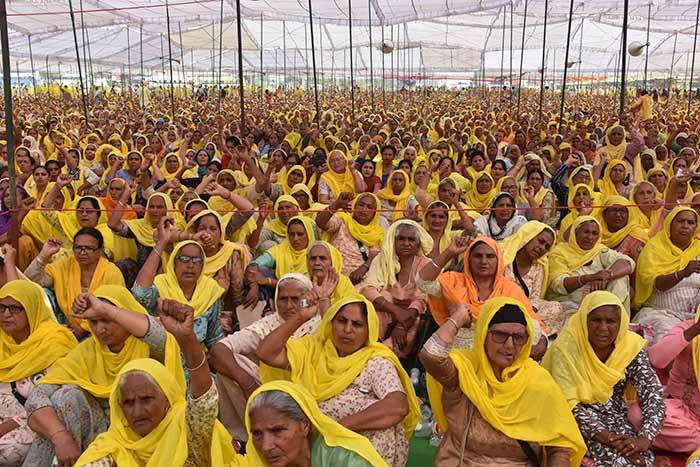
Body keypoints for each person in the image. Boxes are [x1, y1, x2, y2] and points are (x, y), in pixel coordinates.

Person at [22, 285, 184, 466]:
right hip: (101, 434)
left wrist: (104, 308)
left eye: (107, 320)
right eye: (94, 322)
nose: (100, 329)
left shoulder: (146, 345)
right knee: (65, 398)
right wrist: (60, 437)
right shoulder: (87, 352)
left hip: (145, 428)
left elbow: (156, 333)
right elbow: (37, 396)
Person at [419, 297, 586, 467]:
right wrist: (458, 318)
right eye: (500, 334)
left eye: (518, 337)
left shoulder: (538, 382)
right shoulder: (465, 371)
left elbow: (560, 446)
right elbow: (431, 356)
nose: (510, 345)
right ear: (483, 333)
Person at [256, 295, 420, 467]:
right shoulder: (312, 350)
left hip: (350, 439)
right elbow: (266, 353)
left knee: (384, 427)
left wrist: (337, 429)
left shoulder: (375, 360)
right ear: (331, 323)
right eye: (341, 321)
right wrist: (300, 317)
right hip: (312, 436)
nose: (347, 329)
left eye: (357, 324)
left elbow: (398, 406)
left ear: (368, 330)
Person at [74, 300, 237, 466]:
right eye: (128, 403)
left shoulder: (185, 429)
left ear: (167, 399)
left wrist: (188, 340)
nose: (137, 412)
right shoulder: (114, 443)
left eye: (146, 399)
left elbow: (203, 398)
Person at [542, 291, 665, 467]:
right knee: (618, 460)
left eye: (611, 321)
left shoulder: (629, 347)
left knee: (637, 458)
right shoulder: (566, 347)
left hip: (614, 420)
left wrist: (645, 438)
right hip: (571, 419)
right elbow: (567, 403)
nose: (603, 328)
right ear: (584, 320)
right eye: (596, 320)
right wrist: (608, 439)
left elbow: (652, 393)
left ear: (621, 322)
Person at [210, 274, 322, 441]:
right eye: (283, 299)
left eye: (295, 299)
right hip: (269, 388)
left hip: (310, 390)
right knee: (230, 365)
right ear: (275, 299)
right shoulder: (269, 324)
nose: (289, 305)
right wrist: (247, 383)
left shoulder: (320, 324)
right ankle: (244, 436)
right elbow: (219, 350)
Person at [417, 235, 547, 353]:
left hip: (496, 354)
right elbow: (422, 282)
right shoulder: (454, 281)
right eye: (478, 256)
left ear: (498, 260)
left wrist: (542, 343)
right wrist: (449, 252)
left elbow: (533, 321)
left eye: (490, 256)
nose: (483, 261)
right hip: (458, 351)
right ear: (469, 259)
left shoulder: (510, 289)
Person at [0, 281, 77, 467]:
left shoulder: (54, 342)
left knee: (7, 452)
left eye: (15, 308)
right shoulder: (2, 340)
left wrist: (6, 426)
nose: (6, 314)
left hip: (35, 424)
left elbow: (59, 402)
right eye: (1, 307)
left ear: (32, 308)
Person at [245, 381, 388, 467]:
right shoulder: (257, 461)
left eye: (277, 431)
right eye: (257, 434)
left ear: (305, 426)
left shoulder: (346, 461)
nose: (266, 446)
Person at [25, 228, 125, 337]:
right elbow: (31, 281)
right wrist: (44, 255)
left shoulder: (111, 272)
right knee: (43, 293)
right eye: (78, 248)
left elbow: (114, 308)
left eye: (89, 248)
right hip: (67, 322)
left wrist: (83, 328)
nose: (82, 252)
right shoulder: (65, 265)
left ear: (99, 252)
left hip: (99, 327)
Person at [627, 308, 700, 454]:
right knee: (637, 414)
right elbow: (656, 359)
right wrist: (695, 330)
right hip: (680, 410)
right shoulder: (688, 327)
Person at [133, 237, 224, 352]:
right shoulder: (161, 285)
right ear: (174, 262)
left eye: (196, 260)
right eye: (184, 259)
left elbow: (214, 337)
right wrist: (162, 243)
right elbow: (139, 294)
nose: (190, 265)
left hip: (194, 361)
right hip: (160, 358)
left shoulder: (210, 290)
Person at [359, 220, 432, 358]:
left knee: (416, 319)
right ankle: (370, 343)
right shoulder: (383, 259)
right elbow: (368, 288)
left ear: (418, 244)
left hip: (412, 315)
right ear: (394, 241)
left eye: (411, 239)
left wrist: (401, 326)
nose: (406, 243)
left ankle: (379, 355)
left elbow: (423, 298)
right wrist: (395, 310)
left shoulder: (425, 264)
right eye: (401, 239)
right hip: (387, 310)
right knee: (383, 297)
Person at [632, 207, 700, 345]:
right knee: (667, 341)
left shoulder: (698, 248)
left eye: (691, 222)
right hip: (661, 313)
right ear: (670, 223)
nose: (685, 226)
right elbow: (657, 285)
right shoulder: (655, 248)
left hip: (694, 315)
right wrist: (682, 273)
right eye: (680, 221)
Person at [546, 216, 635, 314]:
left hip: (597, 301)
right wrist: (590, 278)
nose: (590, 237)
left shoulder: (599, 250)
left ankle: (613, 315)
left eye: (594, 233)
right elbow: (559, 285)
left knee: (621, 278)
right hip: (568, 302)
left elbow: (627, 262)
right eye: (586, 232)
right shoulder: (559, 253)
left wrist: (607, 276)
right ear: (575, 233)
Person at [500, 220, 566, 336]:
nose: (542, 248)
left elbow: (535, 297)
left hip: (525, 309)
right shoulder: (504, 254)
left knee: (556, 308)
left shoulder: (539, 267)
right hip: (499, 304)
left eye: (546, 247)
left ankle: (526, 327)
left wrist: (530, 312)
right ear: (529, 235)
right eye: (540, 241)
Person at [185, 209, 249, 314]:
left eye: (213, 229)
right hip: (187, 311)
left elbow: (238, 294)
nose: (207, 233)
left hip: (219, 315)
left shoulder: (230, 254)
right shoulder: (187, 253)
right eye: (202, 229)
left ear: (221, 233)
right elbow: (158, 235)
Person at [316, 192, 385, 283]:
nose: (364, 209)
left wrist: (364, 268)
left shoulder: (377, 233)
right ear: (354, 207)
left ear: (375, 213)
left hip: (362, 281)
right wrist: (336, 204)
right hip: (334, 278)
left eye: (369, 207)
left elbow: (377, 256)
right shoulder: (343, 221)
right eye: (361, 205)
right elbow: (321, 223)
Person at [598, 195, 649, 264]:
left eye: (622, 211)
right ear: (604, 214)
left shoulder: (636, 236)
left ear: (629, 214)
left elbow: (641, 265)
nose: (618, 214)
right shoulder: (595, 233)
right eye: (613, 210)